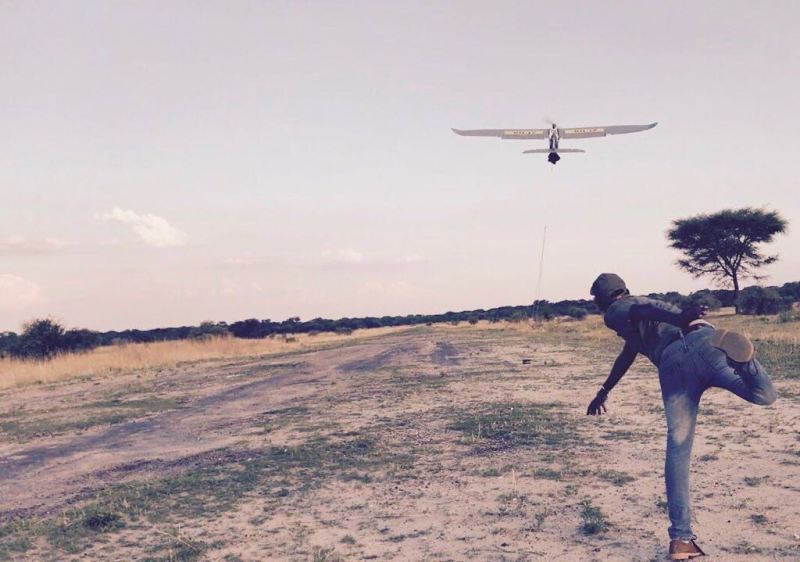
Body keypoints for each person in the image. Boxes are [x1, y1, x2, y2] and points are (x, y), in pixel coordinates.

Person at [587, 273, 778, 560]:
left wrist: (678, 320)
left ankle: (681, 539)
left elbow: (640, 311)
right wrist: (604, 390)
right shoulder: (643, 316)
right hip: (708, 342)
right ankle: (745, 362)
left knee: (678, 447)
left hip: (675, 362)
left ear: (603, 297)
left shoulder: (618, 309)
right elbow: (627, 354)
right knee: (763, 395)